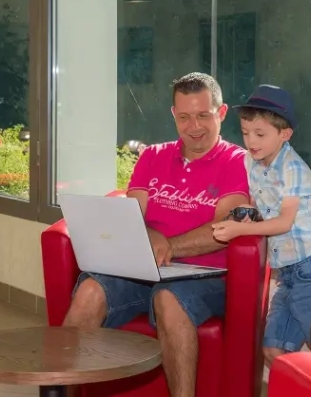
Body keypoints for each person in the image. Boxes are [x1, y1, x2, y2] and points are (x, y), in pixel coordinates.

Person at [63, 72, 250, 397]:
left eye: (203, 115)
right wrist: (148, 236)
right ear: (173, 115)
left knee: (169, 299)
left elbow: (224, 228)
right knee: (90, 290)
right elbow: (132, 215)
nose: (194, 127)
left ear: (221, 113)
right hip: (143, 270)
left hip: (204, 277)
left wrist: (168, 246)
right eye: (184, 117)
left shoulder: (238, 162)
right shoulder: (153, 156)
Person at [212, 84, 311, 365]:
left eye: (259, 134)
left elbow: (284, 222)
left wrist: (240, 230)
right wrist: (247, 214)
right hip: (286, 274)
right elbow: (259, 205)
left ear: (284, 134)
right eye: (245, 133)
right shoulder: (251, 163)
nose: (251, 141)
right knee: (272, 350)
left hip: (307, 269)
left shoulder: (294, 168)